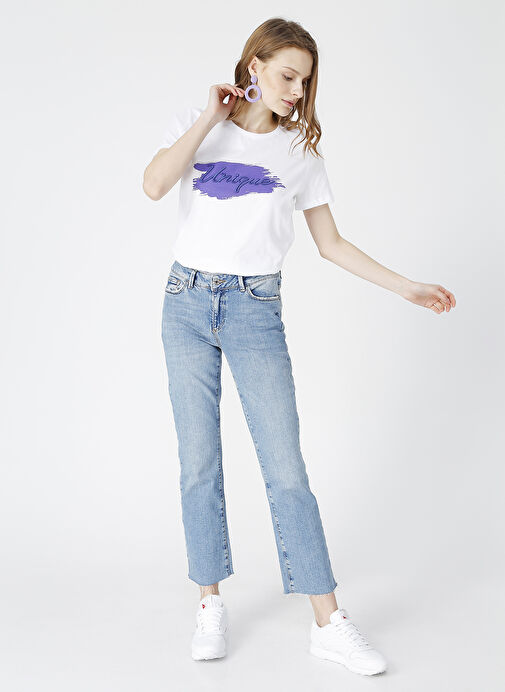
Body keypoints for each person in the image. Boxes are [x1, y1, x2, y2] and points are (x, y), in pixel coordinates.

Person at [143, 17, 456, 676]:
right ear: (252, 66)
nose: (295, 91)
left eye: (305, 82)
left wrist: (406, 286)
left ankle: (327, 622)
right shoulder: (197, 125)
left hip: (255, 310)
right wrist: (210, 117)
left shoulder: (299, 154)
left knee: (285, 470)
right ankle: (209, 603)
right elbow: (153, 183)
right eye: (287, 76)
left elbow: (331, 244)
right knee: (198, 463)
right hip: (185, 303)